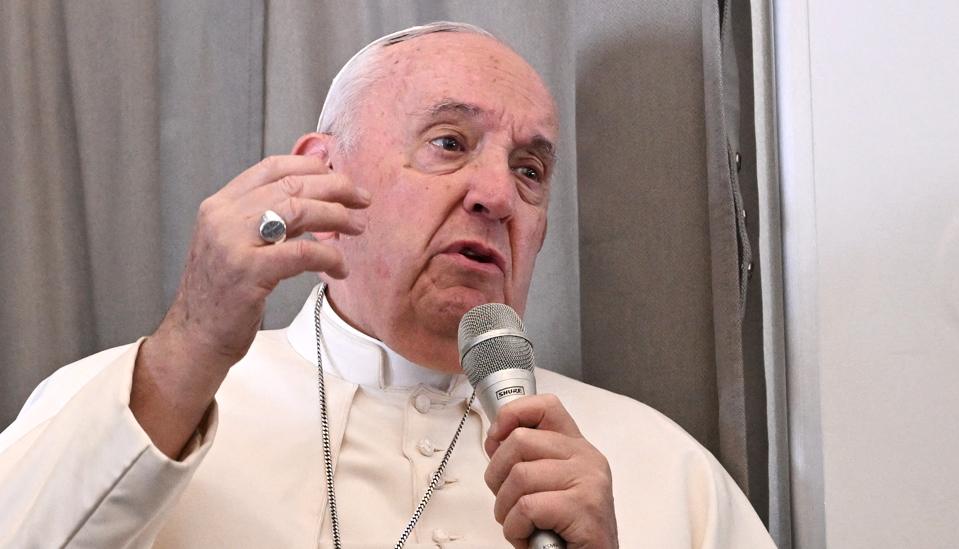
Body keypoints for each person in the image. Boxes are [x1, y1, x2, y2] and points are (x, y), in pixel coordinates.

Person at [0, 22, 775, 548]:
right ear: (322, 172)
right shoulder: (133, 402)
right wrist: (189, 345)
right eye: (449, 142)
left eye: (529, 169)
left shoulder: (665, 473)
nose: (497, 195)